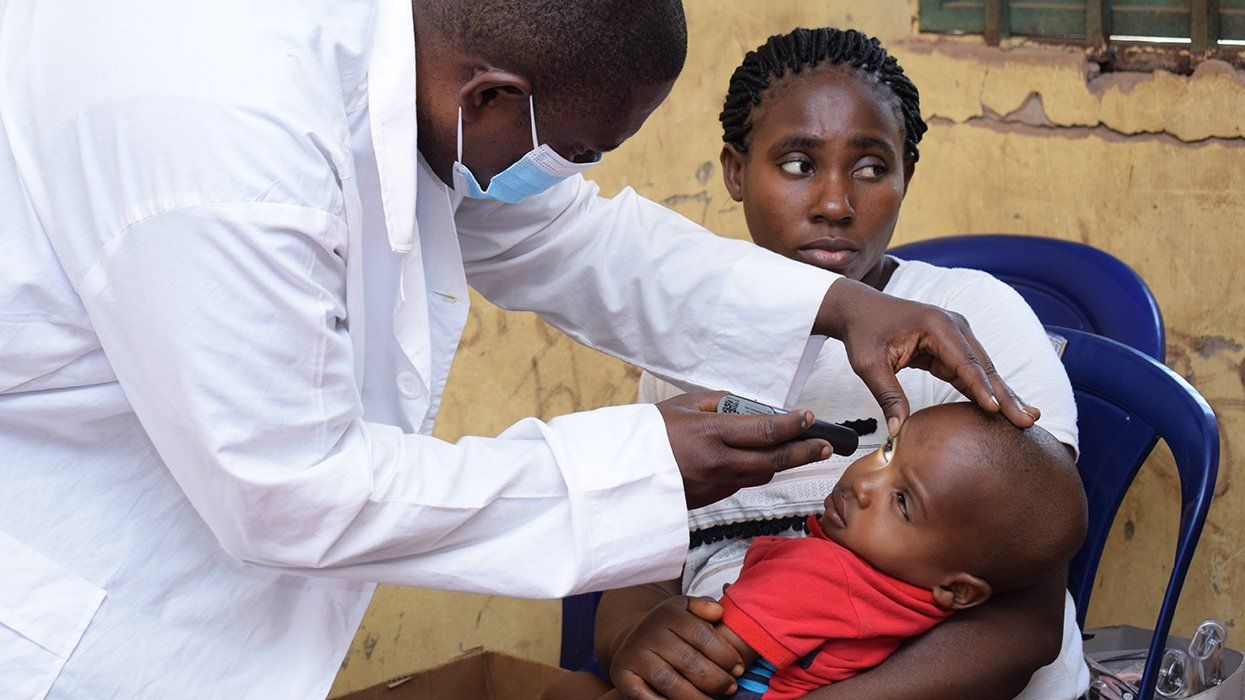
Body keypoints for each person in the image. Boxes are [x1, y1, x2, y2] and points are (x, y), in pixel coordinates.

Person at [0, 5, 1036, 698]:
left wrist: (830, 304)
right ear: (489, 98)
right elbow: (287, 484)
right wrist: (644, 464)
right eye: (573, 149)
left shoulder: (412, 67)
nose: (567, 176)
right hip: (83, 612)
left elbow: (575, 239)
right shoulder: (215, 127)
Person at [583, 27, 1089, 700]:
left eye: (871, 167)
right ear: (736, 170)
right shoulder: (684, 345)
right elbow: (640, 568)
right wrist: (641, 636)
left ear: (906, 174)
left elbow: (1021, 627)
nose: (834, 203)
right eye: (797, 164)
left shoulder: (966, 320)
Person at [571, 403, 1088, 700]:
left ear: (958, 589)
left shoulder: (818, 577)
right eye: (888, 450)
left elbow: (700, 663)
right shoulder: (909, 594)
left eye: (902, 502)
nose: (865, 482)